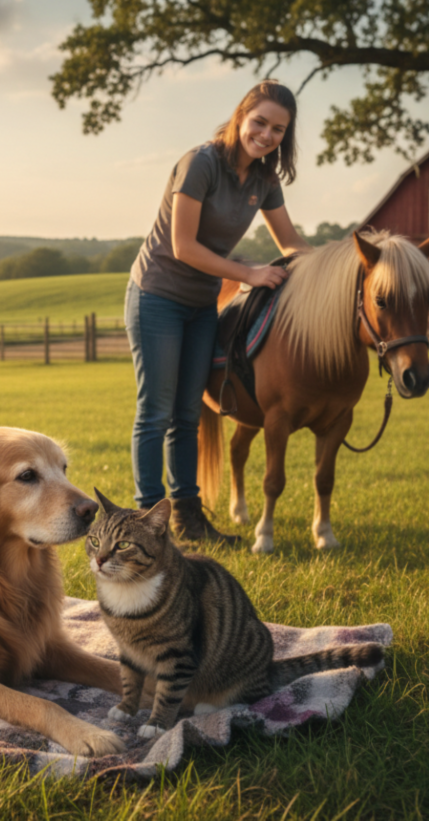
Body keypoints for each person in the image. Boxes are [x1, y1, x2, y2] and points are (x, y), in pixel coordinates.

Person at [125, 80, 312, 543]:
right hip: (157, 295)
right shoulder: (201, 163)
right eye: (260, 122)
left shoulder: (265, 180)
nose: (267, 135)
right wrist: (248, 274)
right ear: (240, 116)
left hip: (201, 303)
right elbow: (183, 246)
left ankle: (188, 518)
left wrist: (332, 266)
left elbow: (289, 243)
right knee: (156, 412)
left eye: (278, 129)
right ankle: (147, 523)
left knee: (189, 415)